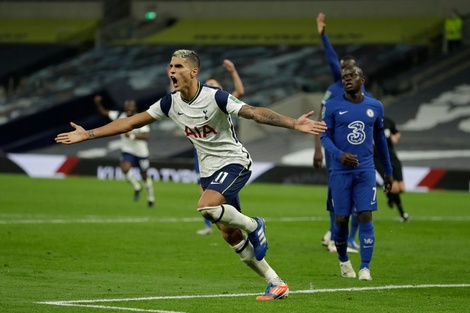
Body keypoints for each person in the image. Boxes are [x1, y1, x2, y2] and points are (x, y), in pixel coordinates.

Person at [56, 49, 327, 300]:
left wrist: (293, 123)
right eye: (170, 66)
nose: (171, 71)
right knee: (229, 235)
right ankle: (275, 281)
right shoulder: (170, 103)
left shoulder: (215, 97)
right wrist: (88, 134)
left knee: (206, 207)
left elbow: (253, 112)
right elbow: (130, 121)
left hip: (234, 163)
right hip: (208, 172)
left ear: (193, 72)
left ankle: (256, 225)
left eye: (178, 66)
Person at [320, 64, 393, 281]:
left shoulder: (375, 106)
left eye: (352, 76)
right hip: (340, 171)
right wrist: (339, 155)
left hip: (365, 169)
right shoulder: (332, 105)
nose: (347, 79)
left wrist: (388, 171)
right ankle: (344, 261)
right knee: (341, 221)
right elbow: (324, 136)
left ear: (363, 79)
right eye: (344, 77)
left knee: (365, 215)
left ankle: (365, 268)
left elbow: (380, 140)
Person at [314, 12, 363, 253]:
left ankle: (334, 234)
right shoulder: (334, 88)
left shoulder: (358, 96)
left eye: (350, 69)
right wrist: (323, 35)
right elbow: (332, 58)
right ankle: (338, 238)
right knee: (343, 194)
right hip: (335, 149)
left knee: (347, 194)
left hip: (349, 149)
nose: (345, 71)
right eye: (343, 68)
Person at [196, 59, 246, 235]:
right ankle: (210, 226)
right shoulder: (198, 106)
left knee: (223, 195)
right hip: (203, 155)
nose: (209, 88)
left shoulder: (223, 101)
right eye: (207, 85)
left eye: (213, 85)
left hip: (225, 156)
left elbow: (240, 91)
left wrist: (233, 71)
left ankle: (242, 224)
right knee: (204, 194)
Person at [94, 95, 155, 208]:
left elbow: (146, 136)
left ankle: (150, 197)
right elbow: (103, 112)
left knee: (144, 175)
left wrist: (131, 136)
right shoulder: (119, 116)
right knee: (125, 169)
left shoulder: (140, 118)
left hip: (141, 152)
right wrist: (97, 103)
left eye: (131, 107)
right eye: (127, 107)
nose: (129, 109)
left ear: (134, 107)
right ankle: (137, 187)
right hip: (128, 150)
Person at [374, 116, 409, 222]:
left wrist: (395, 137)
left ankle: (390, 196)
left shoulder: (388, 121)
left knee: (402, 188)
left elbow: (396, 132)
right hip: (378, 157)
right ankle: (403, 214)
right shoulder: (368, 122)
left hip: (391, 156)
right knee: (393, 186)